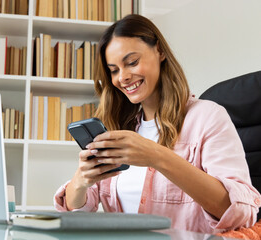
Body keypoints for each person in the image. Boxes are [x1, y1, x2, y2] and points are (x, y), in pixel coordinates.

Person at [54, 14, 261, 234]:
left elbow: (240, 214)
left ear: (160, 52)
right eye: (113, 70)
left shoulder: (208, 117)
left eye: (132, 62)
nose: (122, 77)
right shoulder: (122, 129)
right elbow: (77, 210)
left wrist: (157, 156)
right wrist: (82, 179)